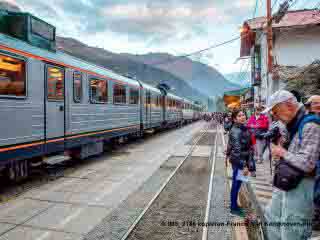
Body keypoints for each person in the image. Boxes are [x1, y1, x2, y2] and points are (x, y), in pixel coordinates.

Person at [263, 90, 320, 240]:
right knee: (271, 215)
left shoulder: (311, 125)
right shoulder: (292, 124)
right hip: (288, 181)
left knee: (292, 230)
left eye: (275, 111)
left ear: (288, 105)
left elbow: (308, 163)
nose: (274, 116)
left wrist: (282, 152)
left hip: (303, 185)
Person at [226, 109, 254, 217]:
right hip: (239, 162)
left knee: (238, 184)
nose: (243, 117)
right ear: (234, 119)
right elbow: (237, 151)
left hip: (240, 160)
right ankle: (233, 208)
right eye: (239, 115)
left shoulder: (242, 128)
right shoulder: (236, 131)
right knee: (236, 185)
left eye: (243, 115)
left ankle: (235, 205)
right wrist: (245, 165)